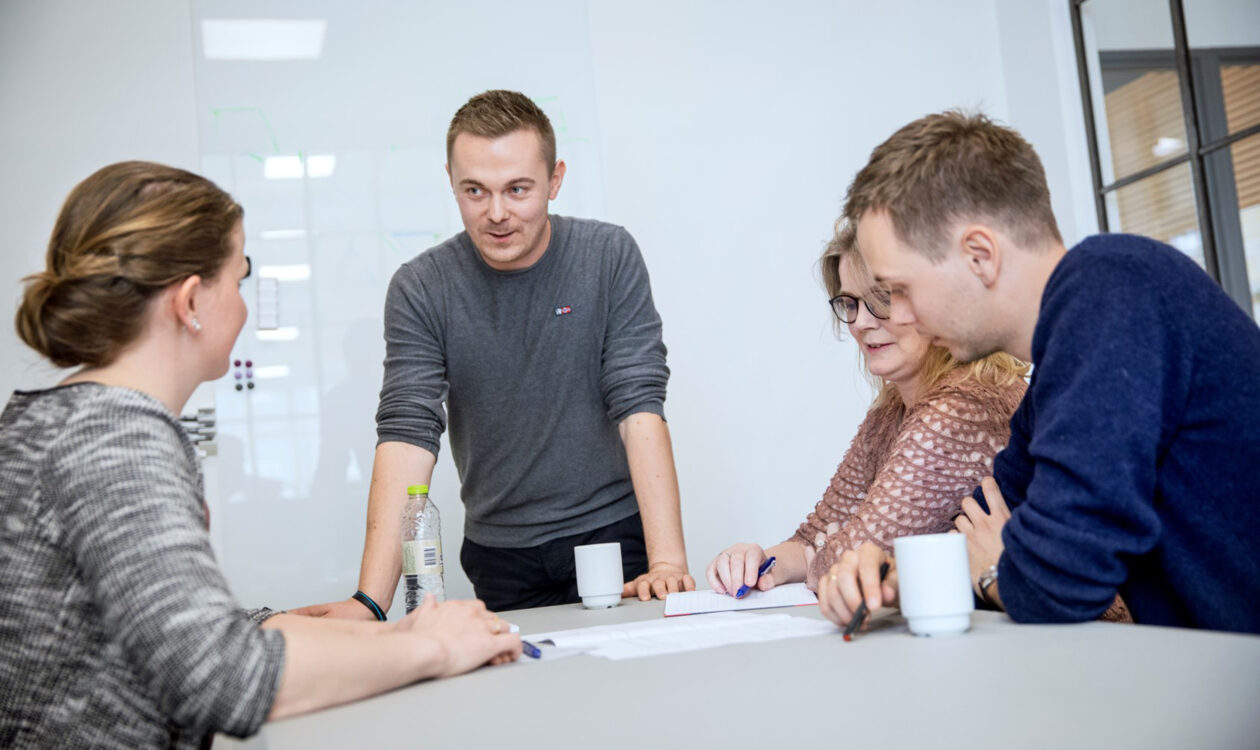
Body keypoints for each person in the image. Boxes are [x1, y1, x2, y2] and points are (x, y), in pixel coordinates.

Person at [0, 162, 521, 749]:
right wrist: (436, 647)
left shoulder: (55, 421)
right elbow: (221, 677)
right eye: (239, 278)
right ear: (192, 299)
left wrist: (393, 630)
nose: (244, 307)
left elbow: (182, 637)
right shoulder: (115, 441)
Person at [820, 110, 1260, 634]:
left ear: (980, 255)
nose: (901, 316)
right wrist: (893, 575)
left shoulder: (1111, 291)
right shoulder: (1056, 369)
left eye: (901, 290)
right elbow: (982, 524)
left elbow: (1063, 575)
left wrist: (993, 570)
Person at [297, 90, 694, 617]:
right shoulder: (422, 287)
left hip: (613, 537)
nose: (497, 213)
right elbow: (407, 434)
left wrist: (667, 561)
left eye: (518, 189)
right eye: (475, 191)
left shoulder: (607, 256)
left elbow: (638, 402)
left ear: (555, 181)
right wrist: (371, 601)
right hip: (501, 553)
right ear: (451, 183)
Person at [707, 224, 1027, 597]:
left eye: (882, 297)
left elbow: (854, 566)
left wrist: (827, 552)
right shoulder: (891, 410)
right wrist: (757, 559)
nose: (860, 321)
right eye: (850, 303)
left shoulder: (964, 406)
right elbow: (814, 539)